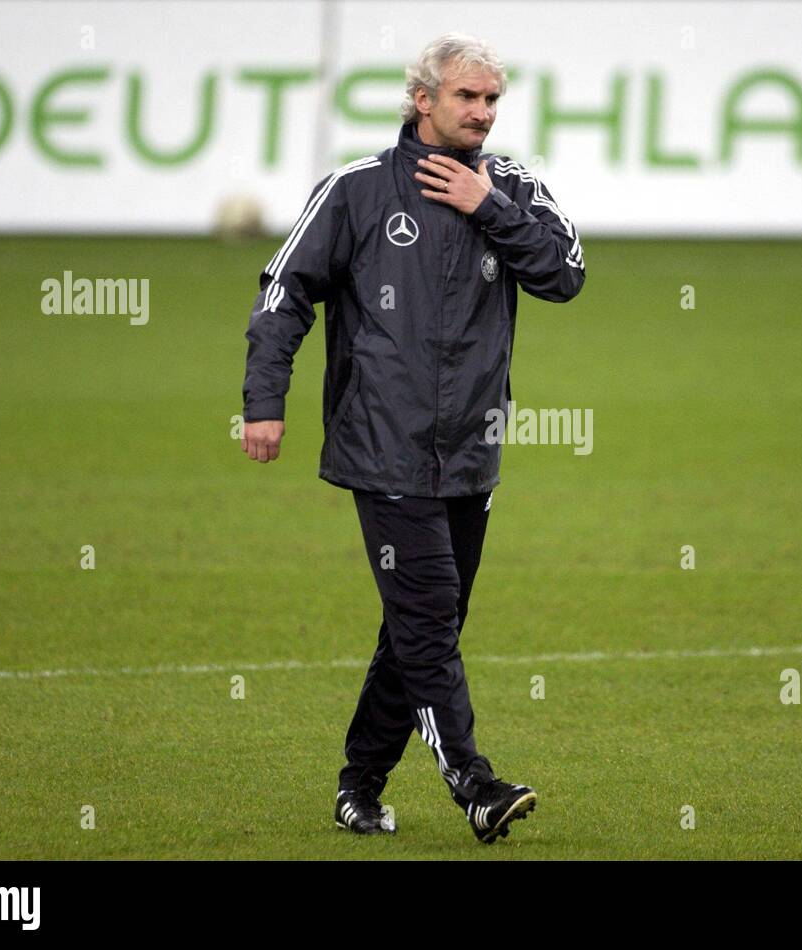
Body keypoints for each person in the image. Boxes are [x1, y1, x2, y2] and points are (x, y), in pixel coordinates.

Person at [238, 32, 586, 844]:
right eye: (468, 97)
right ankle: (475, 783)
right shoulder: (356, 191)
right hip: (383, 446)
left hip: (471, 448)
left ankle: (358, 786)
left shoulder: (514, 187)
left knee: (422, 627)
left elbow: (566, 274)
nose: (484, 113)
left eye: (493, 99)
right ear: (422, 99)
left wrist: (487, 207)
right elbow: (284, 292)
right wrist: (265, 401)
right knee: (428, 620)